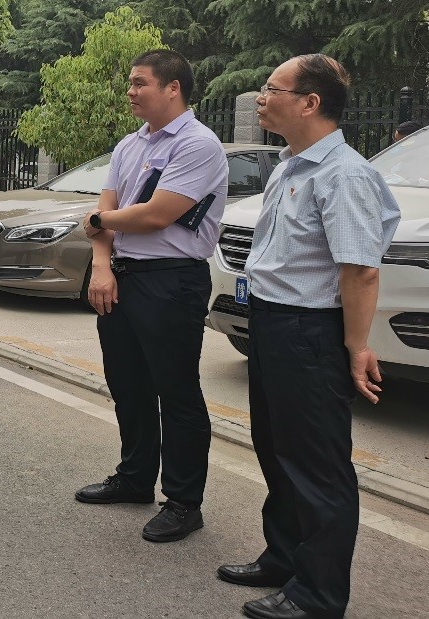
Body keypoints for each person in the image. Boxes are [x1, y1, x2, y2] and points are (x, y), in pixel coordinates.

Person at [217, 54, 399, 619]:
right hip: (272, 322)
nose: (261, 97)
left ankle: (317, 595)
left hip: (309, 330)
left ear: (309, 103)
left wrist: (356, 347)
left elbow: (360, 270)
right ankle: (284, 558)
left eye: (272, 89)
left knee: (316, 465)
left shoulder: (344, 175)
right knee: (277, 450)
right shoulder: (290, 166)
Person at [77, 49, 228, 544]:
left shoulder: (198, 145)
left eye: (140, 82)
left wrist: (100, 221)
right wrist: (102, 267)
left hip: (172, 280)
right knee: (128, 383)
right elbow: (106, 212)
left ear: (173, 88)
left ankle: (184, 501)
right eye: (131, 82)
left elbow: (156, 214)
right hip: (121, 275)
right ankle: (135, 477)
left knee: (176, 390)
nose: (131, 91)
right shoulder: (129, 144)